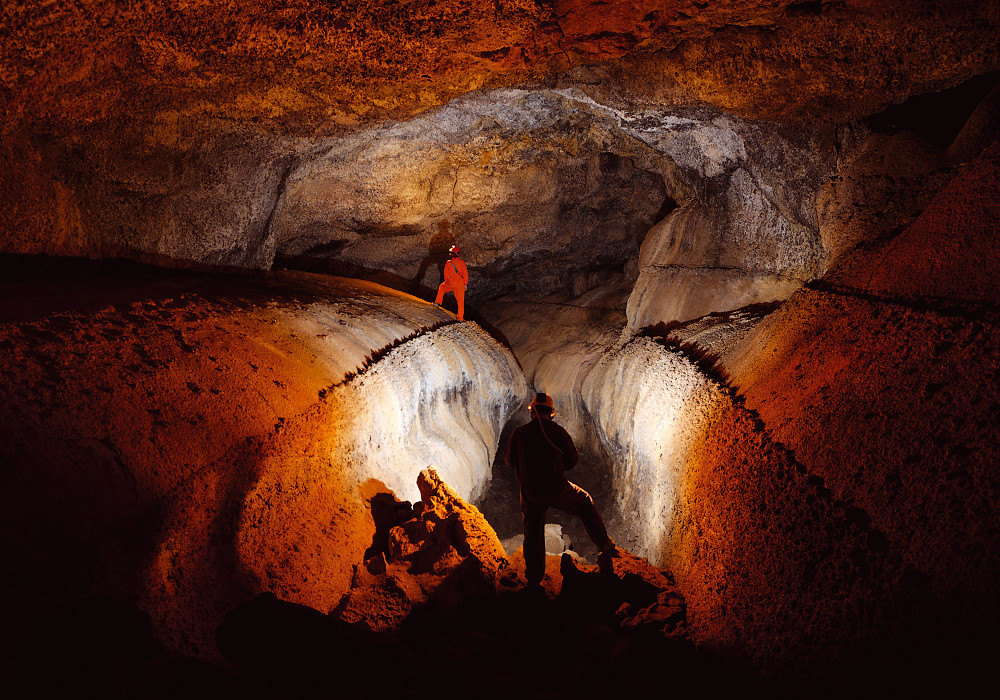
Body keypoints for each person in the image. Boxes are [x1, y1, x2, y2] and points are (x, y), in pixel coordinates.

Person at [503, 392, 616, 585]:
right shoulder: (558, 432)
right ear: (551, 413)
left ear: (532, 412)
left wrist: (527, 467)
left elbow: (509, 460)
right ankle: (605, 546)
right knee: (584, 503)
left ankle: (534, 580)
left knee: (533, 533)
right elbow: (572, 460)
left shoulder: (519, 433)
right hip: (556, 488)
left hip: (530, 491)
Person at [434, 244, 469, 321]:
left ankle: (437, 303)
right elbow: (465, 274)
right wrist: (465, 284)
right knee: (460, 301)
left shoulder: (449, 263)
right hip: (460, 283)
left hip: (451, 282)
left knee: (441, 287)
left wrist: (448, 282)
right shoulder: (462, 263)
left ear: (452, 254)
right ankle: (460, 318)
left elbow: (446, 275)